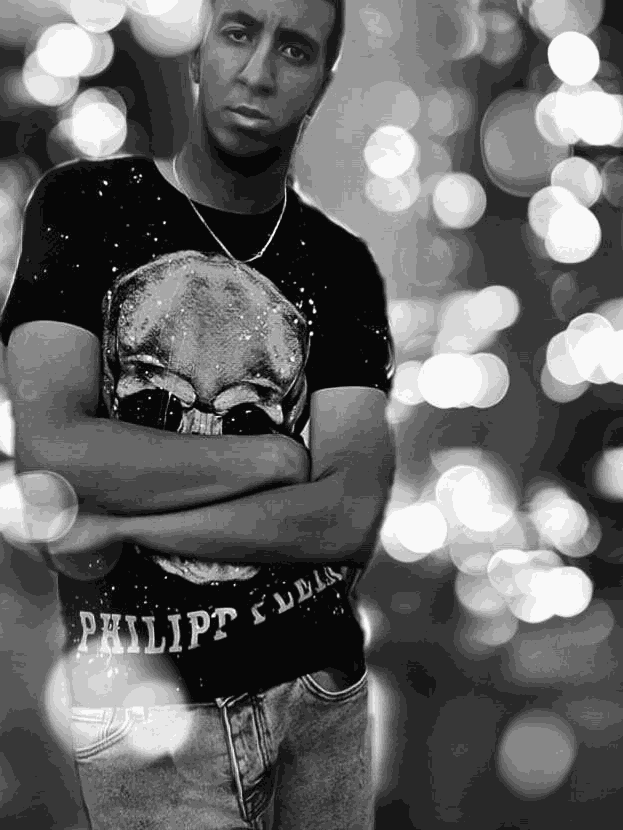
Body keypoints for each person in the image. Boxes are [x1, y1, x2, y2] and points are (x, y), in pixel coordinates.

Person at [1, 0, 396, 827]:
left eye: (294, 49)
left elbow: (346, 516)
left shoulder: (341, 267)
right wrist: (272, 457)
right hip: (148, 720)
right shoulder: (83, 204)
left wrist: (119, 524)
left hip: (321, 697)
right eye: (239, 32)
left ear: (322, 83)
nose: (258, 72)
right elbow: (54, 455)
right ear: (197, 50)